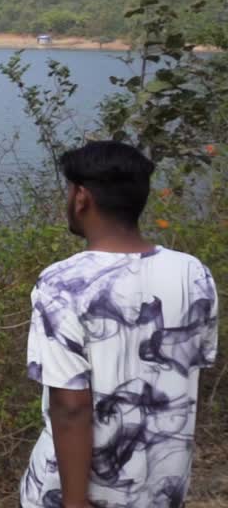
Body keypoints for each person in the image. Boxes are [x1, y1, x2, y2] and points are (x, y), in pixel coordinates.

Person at [22, 141, 219, 508]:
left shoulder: (63, 283)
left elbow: (71, 407)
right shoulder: (193, 274)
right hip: (162, 486)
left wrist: (74, 503)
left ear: (81, 197)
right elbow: (188, 373)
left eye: (68, 191)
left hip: (76, 492)